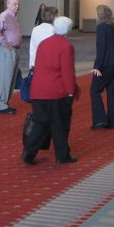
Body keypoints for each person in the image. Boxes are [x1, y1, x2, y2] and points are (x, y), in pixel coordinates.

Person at [22, 16, 80, 165]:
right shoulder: (66, 46)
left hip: (38, 90)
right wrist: (70, 91)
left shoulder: (43, 44)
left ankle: (29, 150)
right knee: (59, 124)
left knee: (41, 123)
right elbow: (67, 72)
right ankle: (62, 155)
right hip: (56, 91)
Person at [90, 4, 114, 129]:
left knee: (94, 90)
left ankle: (100, 119)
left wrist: (97, 66)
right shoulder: (113, 27)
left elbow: (101, 48)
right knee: (112, 92)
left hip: (106, 64)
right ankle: (112, 122)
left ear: (100, 15)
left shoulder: (101, 27)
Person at [0, 0, 22, 113]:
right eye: (14, 4)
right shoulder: (5, 15)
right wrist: (4, 42)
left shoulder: (14, 17)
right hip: (8, 50)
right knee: (6, 77)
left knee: (12, 78)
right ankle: (2, 104)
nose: (17, 7)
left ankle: (5, 103)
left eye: (18, 4)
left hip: (15, 50)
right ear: (8, 4)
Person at [28, 4, 58, 73]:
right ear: (53, 17)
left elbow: (32, 48)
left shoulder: (35, 29)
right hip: (50, 65)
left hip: (37, 63)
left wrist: (31, 65)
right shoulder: (55, 30)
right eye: (56, 16)